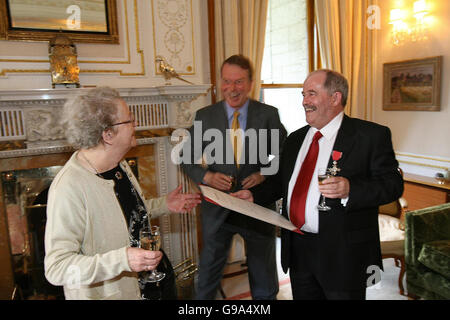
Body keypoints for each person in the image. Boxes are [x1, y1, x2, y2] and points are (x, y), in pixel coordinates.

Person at [233, 69, 404, 300]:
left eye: (311, 94)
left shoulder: (370, 136)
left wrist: (350, 189)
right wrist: (253, 195)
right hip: (298, 248)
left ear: (335, 98)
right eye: (303, 95)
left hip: (343, 254)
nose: (304, 101)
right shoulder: (295, 138)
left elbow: (392, 185)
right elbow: (279, 182)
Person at [44, 87, 201, 300]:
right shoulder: (69, 187)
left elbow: (125, 215)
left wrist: (165, 204)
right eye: (129, 120)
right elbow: (57, 267)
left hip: (153, 283)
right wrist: (122, 260)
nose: (136, 124)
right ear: (108, 134)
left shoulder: (118, 165)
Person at [180, 54, 287, 299]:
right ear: (220, 82)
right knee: (207, 276)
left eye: (238, 82)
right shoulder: (204, 116)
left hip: (256, 206)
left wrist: (264, 173)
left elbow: (285, 154)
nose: (232, 88)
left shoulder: (269, 114)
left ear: (250, 83)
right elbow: (186, 156)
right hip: (218, 207)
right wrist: (206, 176)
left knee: (263, 278)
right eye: (227, 81)